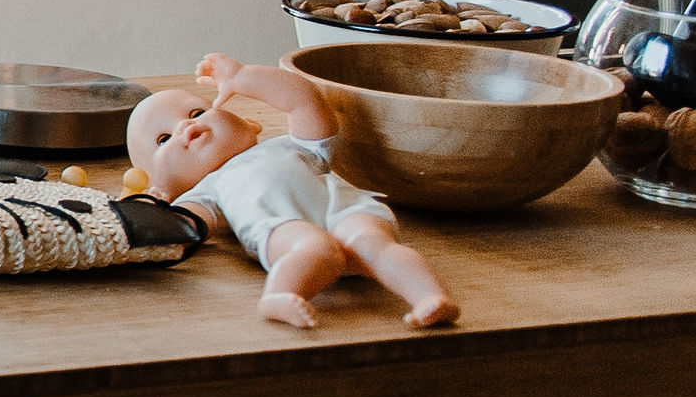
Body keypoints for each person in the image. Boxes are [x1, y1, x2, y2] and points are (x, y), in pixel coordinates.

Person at [128, 57, 459, 332]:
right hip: (281, 226)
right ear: (162, 188)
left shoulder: (292, 145)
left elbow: (304, 99)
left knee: (373, 243)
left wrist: (243, 77)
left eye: (197, 113)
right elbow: (184, 228)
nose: (186, 128)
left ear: (250, 124)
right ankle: (281, 295)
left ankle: (430, 297)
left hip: (345, 210)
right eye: (163, 139)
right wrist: (143, 220)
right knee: (314, 247)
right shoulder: (206, 192)